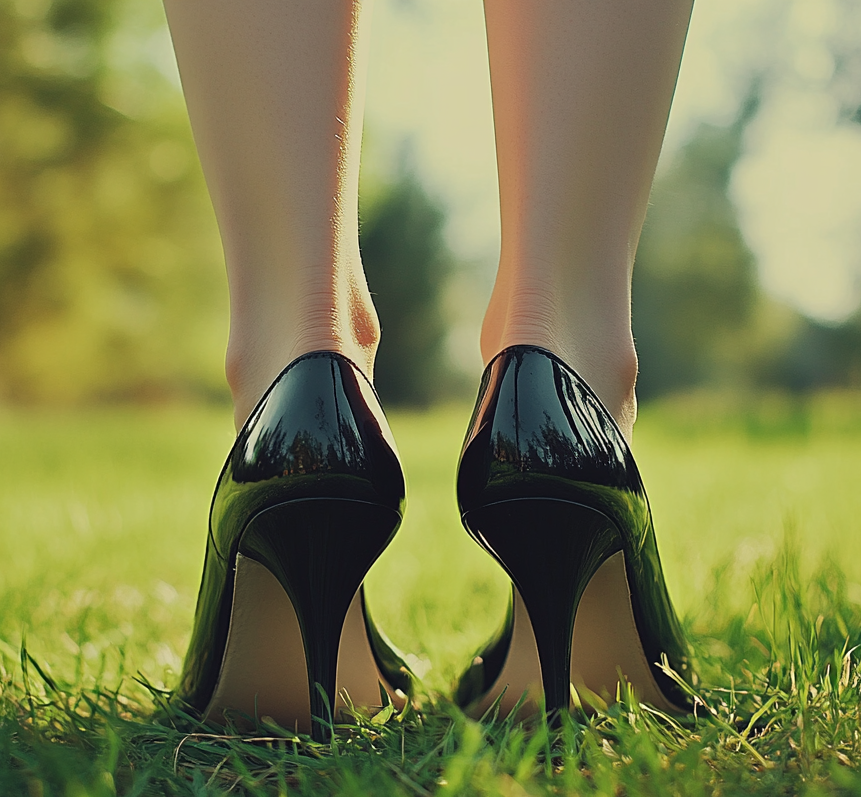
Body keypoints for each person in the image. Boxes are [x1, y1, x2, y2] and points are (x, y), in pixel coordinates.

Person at [165, 0, 696, 739]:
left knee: (297, 315)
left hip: (289, 430)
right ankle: (569, 366)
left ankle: (294, 364)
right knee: (563, 317)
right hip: (571, 422)